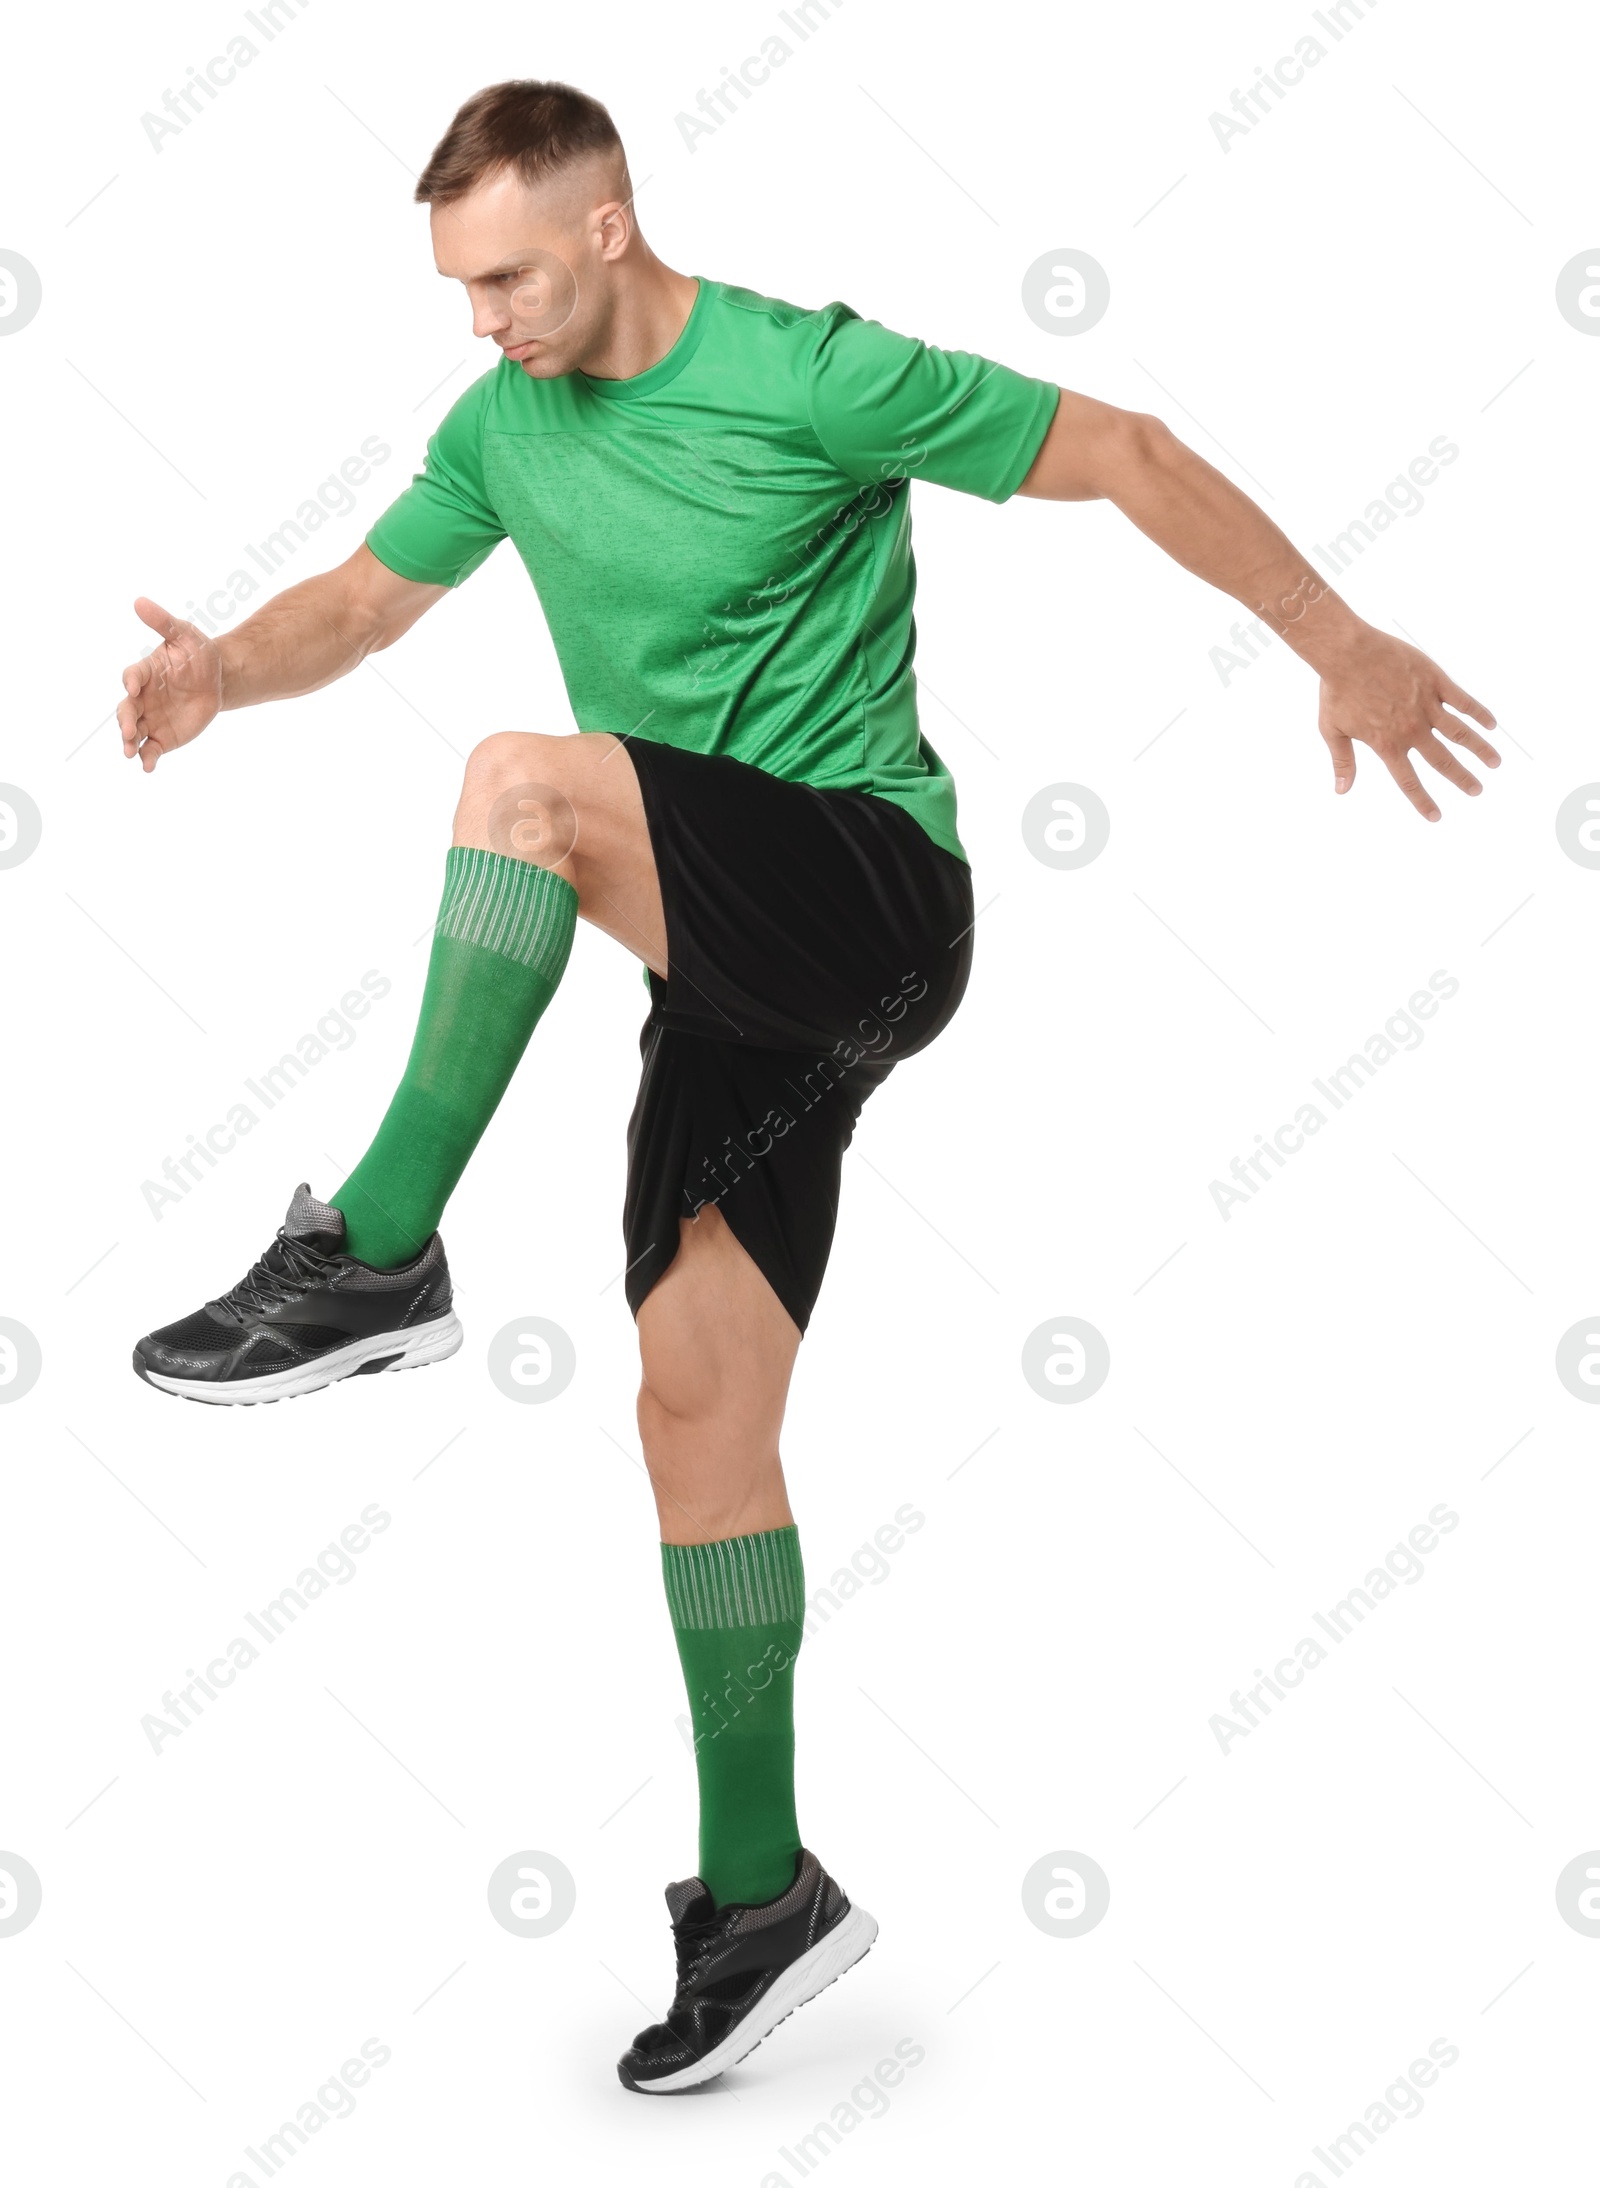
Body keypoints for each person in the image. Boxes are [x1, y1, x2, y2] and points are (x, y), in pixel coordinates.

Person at [115, 79, 1498, 2092]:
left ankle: (378, 1247)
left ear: (602, 227)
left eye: (503, 275)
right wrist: (224, 666)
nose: (478, 319)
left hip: (861, 888)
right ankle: (759, 1893)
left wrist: (1337, 633)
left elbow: (1119, 449)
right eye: (452, 285)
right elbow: (367, 594)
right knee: (692, 1409)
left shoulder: (805, 369)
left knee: (521, 780)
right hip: (729, 973)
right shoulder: (502, 421)